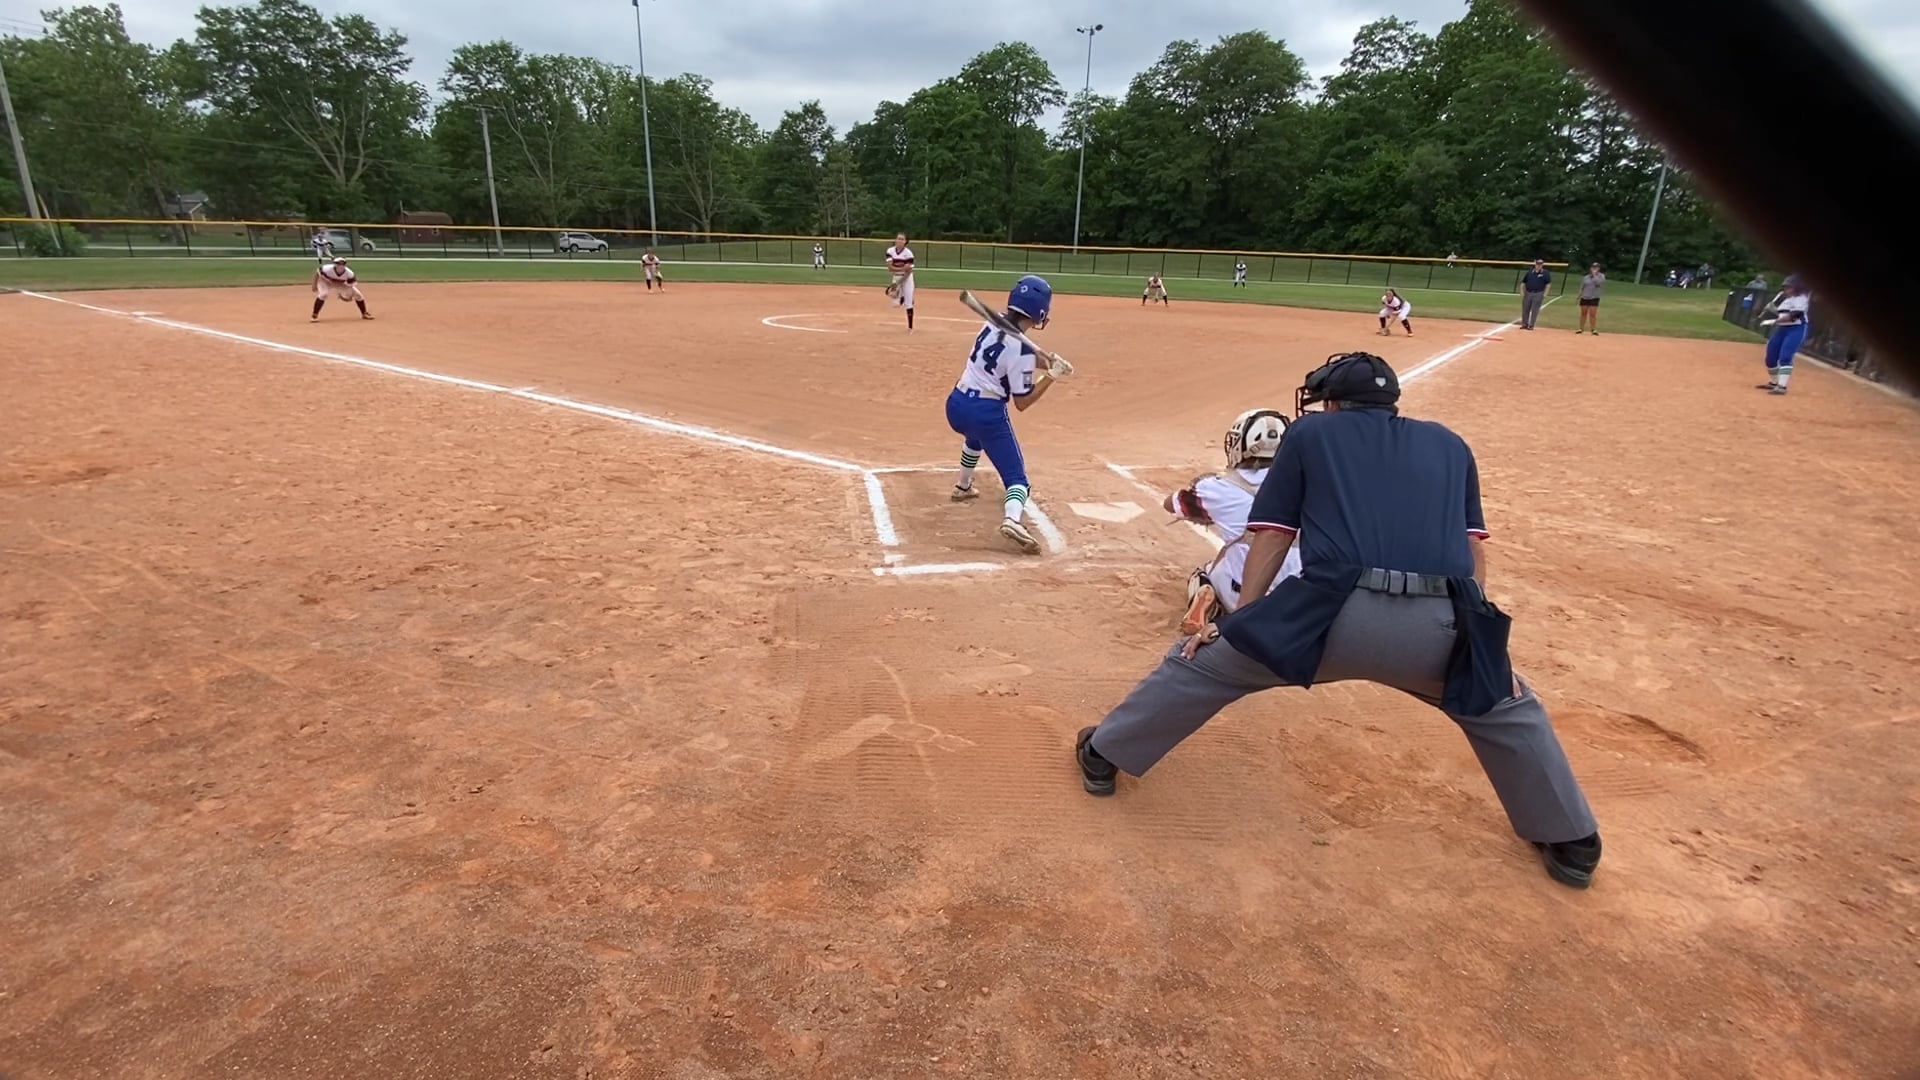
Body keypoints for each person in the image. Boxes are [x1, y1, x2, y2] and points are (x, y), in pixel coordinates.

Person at [1073, 351, 1603, 889]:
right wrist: (1478, 646)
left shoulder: (1310, 434)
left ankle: (1104, 752)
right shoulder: (1450, 444)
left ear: (1330, 403)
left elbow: (1273, 536)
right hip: (1438, 626)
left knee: (1201, 664)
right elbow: (1473, 553)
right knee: (1508, 705)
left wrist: (1245, 624)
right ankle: (1574, 843)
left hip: (1326, 618)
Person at [947, 276, 1068, 553]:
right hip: (986, 414)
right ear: (1040, 313)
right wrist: (1051, 376)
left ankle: (963, 486)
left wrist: (1047, 361)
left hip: (956, 405)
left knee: (974, 437)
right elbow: (1023, 402)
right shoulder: (1022, 351)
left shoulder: (993, 321)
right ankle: (1012, 520)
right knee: (1017, 480)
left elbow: (1014, 353)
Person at [1166, 409, 1304, 635]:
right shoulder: (1310, 484)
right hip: (1297, 599)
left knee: (1219, 558)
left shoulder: (1217, 488)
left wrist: (1203, 490)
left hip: (1243, 598)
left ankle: (1208, 595)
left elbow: (1172, 504)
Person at [1758, 274, 1811, 395]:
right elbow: (1782, 314)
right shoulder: (1787, 300)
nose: (1786, 289)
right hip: (1782, 329)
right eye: (1785, 287)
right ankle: (1774, 382)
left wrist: (1774, 321)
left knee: (1785, 356)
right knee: (1771, 357)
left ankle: (1782, 386)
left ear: (1798, 287)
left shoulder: (1802, 299)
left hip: (1796, 329)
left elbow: (1793, 316)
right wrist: (1772, 310)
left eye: (1789, 287)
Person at [311, 257, 373, 321]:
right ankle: (314, 316)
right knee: (323, 294)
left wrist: (348, 297)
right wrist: (314, 285)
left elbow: (350, 285)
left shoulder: (349, 273)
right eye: (338, 263)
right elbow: (317, 273)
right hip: (325, 282)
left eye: (343, 263)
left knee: (358, 295)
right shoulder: (327, 268)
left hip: (340, 284)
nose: (341, 265)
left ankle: (364, 313)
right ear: (335, 264)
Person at [883, 232, 915, 330]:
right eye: (898, 238)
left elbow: (908, 272)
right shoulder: (890, 251)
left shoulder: (908, 253)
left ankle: (910, 327)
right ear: (895, 240)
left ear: (905, 242)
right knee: (895, 303)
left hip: (907, 278)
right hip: (896, 277)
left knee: (909, 304)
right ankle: (902, 297)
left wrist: (898, 283)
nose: (900, 241)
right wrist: (902, 268)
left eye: (902, 239)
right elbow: (890, 268)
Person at [1518, 259, 1551, 330]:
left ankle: (1531, 325)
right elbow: (1523, 282)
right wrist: (1521, 291)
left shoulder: (1545, 273)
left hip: (1538, 293)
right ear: (1535, 264)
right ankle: (1524, 324)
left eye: (1540, 264)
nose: (1539, 266)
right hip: (1528, 292)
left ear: (1542, 265)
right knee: (1525, 309)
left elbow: (1548, 284)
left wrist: (1545, 294)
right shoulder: (1530, 272)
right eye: (1537, 264)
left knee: (1535, 310)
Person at [1576, 262, 1605, 334]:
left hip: (1594, 297)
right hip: (1585, 297)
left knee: (1592, 314)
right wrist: (1578, 297)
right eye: (1593, 267)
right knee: (1583, 313)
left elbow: (1598, 283)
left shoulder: (1601, 276)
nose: (1594, 269)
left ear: (1599, 268)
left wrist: (1594, 275)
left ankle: (1593, 329)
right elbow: (1582, 287)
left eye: (1596, 267)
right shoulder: (1586, 277)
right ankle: (1581, 328)